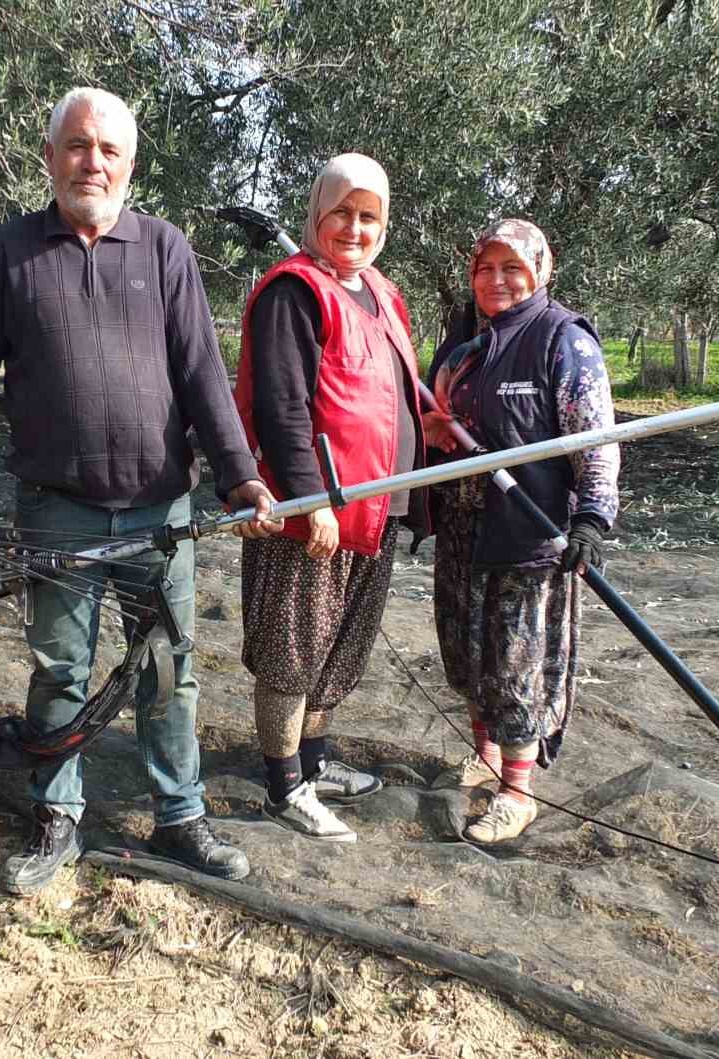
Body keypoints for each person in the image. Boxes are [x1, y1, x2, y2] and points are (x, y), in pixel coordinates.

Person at [0, 87, 280, 895]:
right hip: (57, 507)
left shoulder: (164, 249)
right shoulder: (8, 254)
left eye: (109, 150)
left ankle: (180, 813)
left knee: (168, 667)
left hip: (161, 507)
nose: (93, 161)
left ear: (130, 164)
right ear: (50, 158)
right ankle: (58, 814)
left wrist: (240, 474)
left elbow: (201, 374)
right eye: (77, 146)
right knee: (58, 667)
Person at [232, 154, 428, 842]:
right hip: (315, 513)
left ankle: (313, 762)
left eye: (369, 216)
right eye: (341, 211)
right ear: (316, 214)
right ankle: (285, 784)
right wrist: (308, 496)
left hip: (378, 505)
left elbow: (403, 396)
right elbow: (283, 405)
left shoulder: (383, 293)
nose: (354, 227)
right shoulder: (294, 292)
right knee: (295, 649)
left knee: (342, 648)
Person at [423, 218, 619, 844]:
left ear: (540, 271)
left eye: (513, 268)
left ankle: (517, 789)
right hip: (463, 529)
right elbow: (437, 420)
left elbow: (595, 437)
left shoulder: (562, 338)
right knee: (466, 653)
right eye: (485, 268)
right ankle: (484, 757)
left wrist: (591, 516)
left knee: (516, 665)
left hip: (528, 534)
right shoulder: (464, 346)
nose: (497, 280)